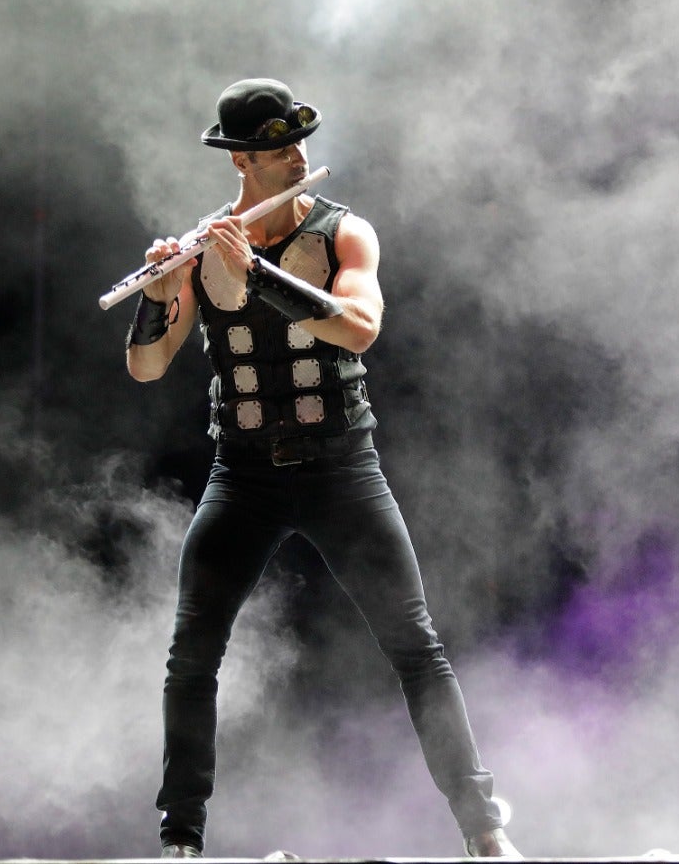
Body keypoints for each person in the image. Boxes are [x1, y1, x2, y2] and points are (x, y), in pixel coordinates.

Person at [124, 78, 519, 859]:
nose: (297, 156)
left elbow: (359, 328)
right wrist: (159, 295)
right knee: (191, 655)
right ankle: (180, 842)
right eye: (277, 148)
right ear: (241, 160)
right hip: (243, 476)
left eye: (298, 141)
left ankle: (484, 831)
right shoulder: (206, 248)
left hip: (341, 468)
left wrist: (257, 274)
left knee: (415, 646)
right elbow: (145, 365)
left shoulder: (345, 233)